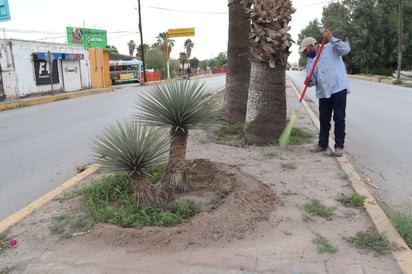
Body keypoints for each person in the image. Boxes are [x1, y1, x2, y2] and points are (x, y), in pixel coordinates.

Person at [298, 29, 351, 157]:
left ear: (312, 46)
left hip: (338, 88)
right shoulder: (310, 61)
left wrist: (331, 38)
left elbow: (346, 49)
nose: (306, 54)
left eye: (306, 50)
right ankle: (322, 145)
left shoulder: (330, 48)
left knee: (339, 118)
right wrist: (309, 81)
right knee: (324, 119)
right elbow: (312, 81)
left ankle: (339, 146)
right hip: (323, 92)